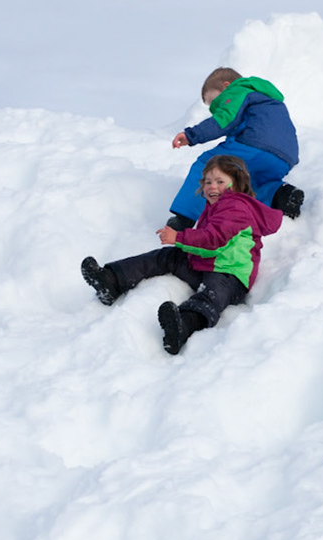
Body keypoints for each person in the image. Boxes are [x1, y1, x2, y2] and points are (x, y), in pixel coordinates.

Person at [82, 154, 284, 354]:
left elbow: (213, 239)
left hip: (230, 275)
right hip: (206, 263)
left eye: (220, 181)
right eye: (208, 182)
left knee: (210, 297)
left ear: (237, 184)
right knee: (166, 257)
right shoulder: (216, 207)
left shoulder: (236, 207)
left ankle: (183, 325)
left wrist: (179, 237)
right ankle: (111, 281)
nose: (212, 186)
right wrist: (182, 245)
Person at [167, 66, 304, 230]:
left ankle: (184, 217)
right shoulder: (269, 100)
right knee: (251, 184)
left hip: (253, 144)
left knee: (209, 165)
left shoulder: (238, 90)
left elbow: (225, 119)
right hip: (284, 158)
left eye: (215, 102)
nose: (216, 109)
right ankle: (281, 195)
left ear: (226, 85)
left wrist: (191, 135)